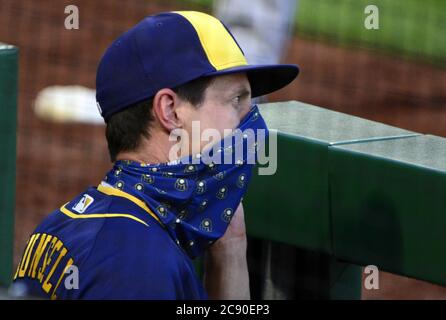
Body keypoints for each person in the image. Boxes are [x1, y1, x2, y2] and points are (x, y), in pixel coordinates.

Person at [12, 11, 298, 300]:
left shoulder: (63, 224)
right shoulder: (140, 270)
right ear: (170, 111)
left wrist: (231, 249)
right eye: (236, 100)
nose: (252, 119)